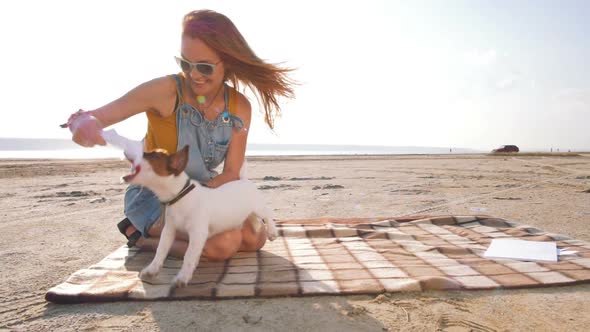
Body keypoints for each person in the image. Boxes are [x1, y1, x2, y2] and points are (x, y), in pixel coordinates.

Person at [67, 9, 295, 261]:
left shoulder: (240, 106)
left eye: (205, 67)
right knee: (224, 244)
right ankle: (139, 237)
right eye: (185, 64)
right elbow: (101, 116)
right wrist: (84, 126)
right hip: (157, 196)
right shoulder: (164, 90)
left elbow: (231, 173)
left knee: (255, 237)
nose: (194, 74)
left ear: (227, 62)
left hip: (205, 192)